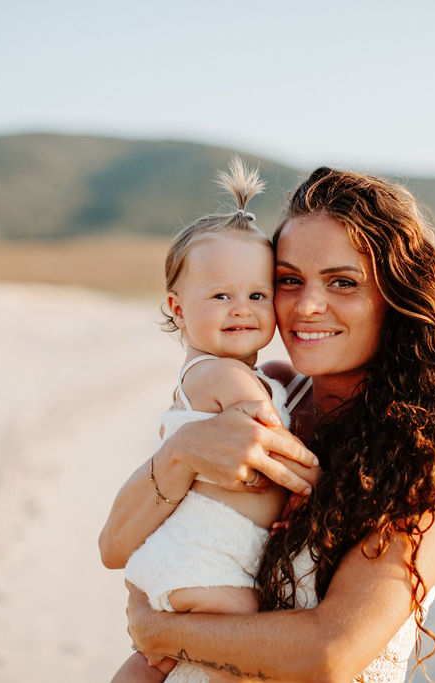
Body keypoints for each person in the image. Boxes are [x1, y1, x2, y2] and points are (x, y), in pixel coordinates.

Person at [100, 166, 435, 682]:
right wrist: (181, 451)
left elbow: (330, 654)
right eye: (290, 281)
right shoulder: (269, 394)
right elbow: (113, 547)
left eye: (342, 282)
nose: (308, 306)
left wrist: (158, 632)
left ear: (397, 297)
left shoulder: (434, 457)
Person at [111, 158, 320, 683]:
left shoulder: (236, 374)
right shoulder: (218, 375)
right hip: (204, 559)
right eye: (220, 296)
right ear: (177, 310)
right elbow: (266, 429)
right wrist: (314, 482)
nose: (242, 309)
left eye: (257, 295)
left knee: (152, 662)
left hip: (193, 557)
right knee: (245, 643)